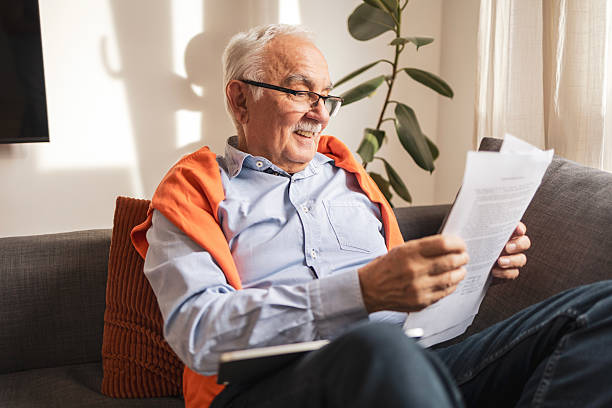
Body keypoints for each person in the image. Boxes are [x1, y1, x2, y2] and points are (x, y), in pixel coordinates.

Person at [132, 24, 612, 407]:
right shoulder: (191, 193)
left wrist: (477, 268)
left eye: (327, 98)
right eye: (300, 92)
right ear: (239, 100)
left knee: (600, 307)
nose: (319, 114)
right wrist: (360, 292)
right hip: (275, 386)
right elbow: (199, 331)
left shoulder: (349, 176)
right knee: (376, 348)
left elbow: (415, 300)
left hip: (418, 360)